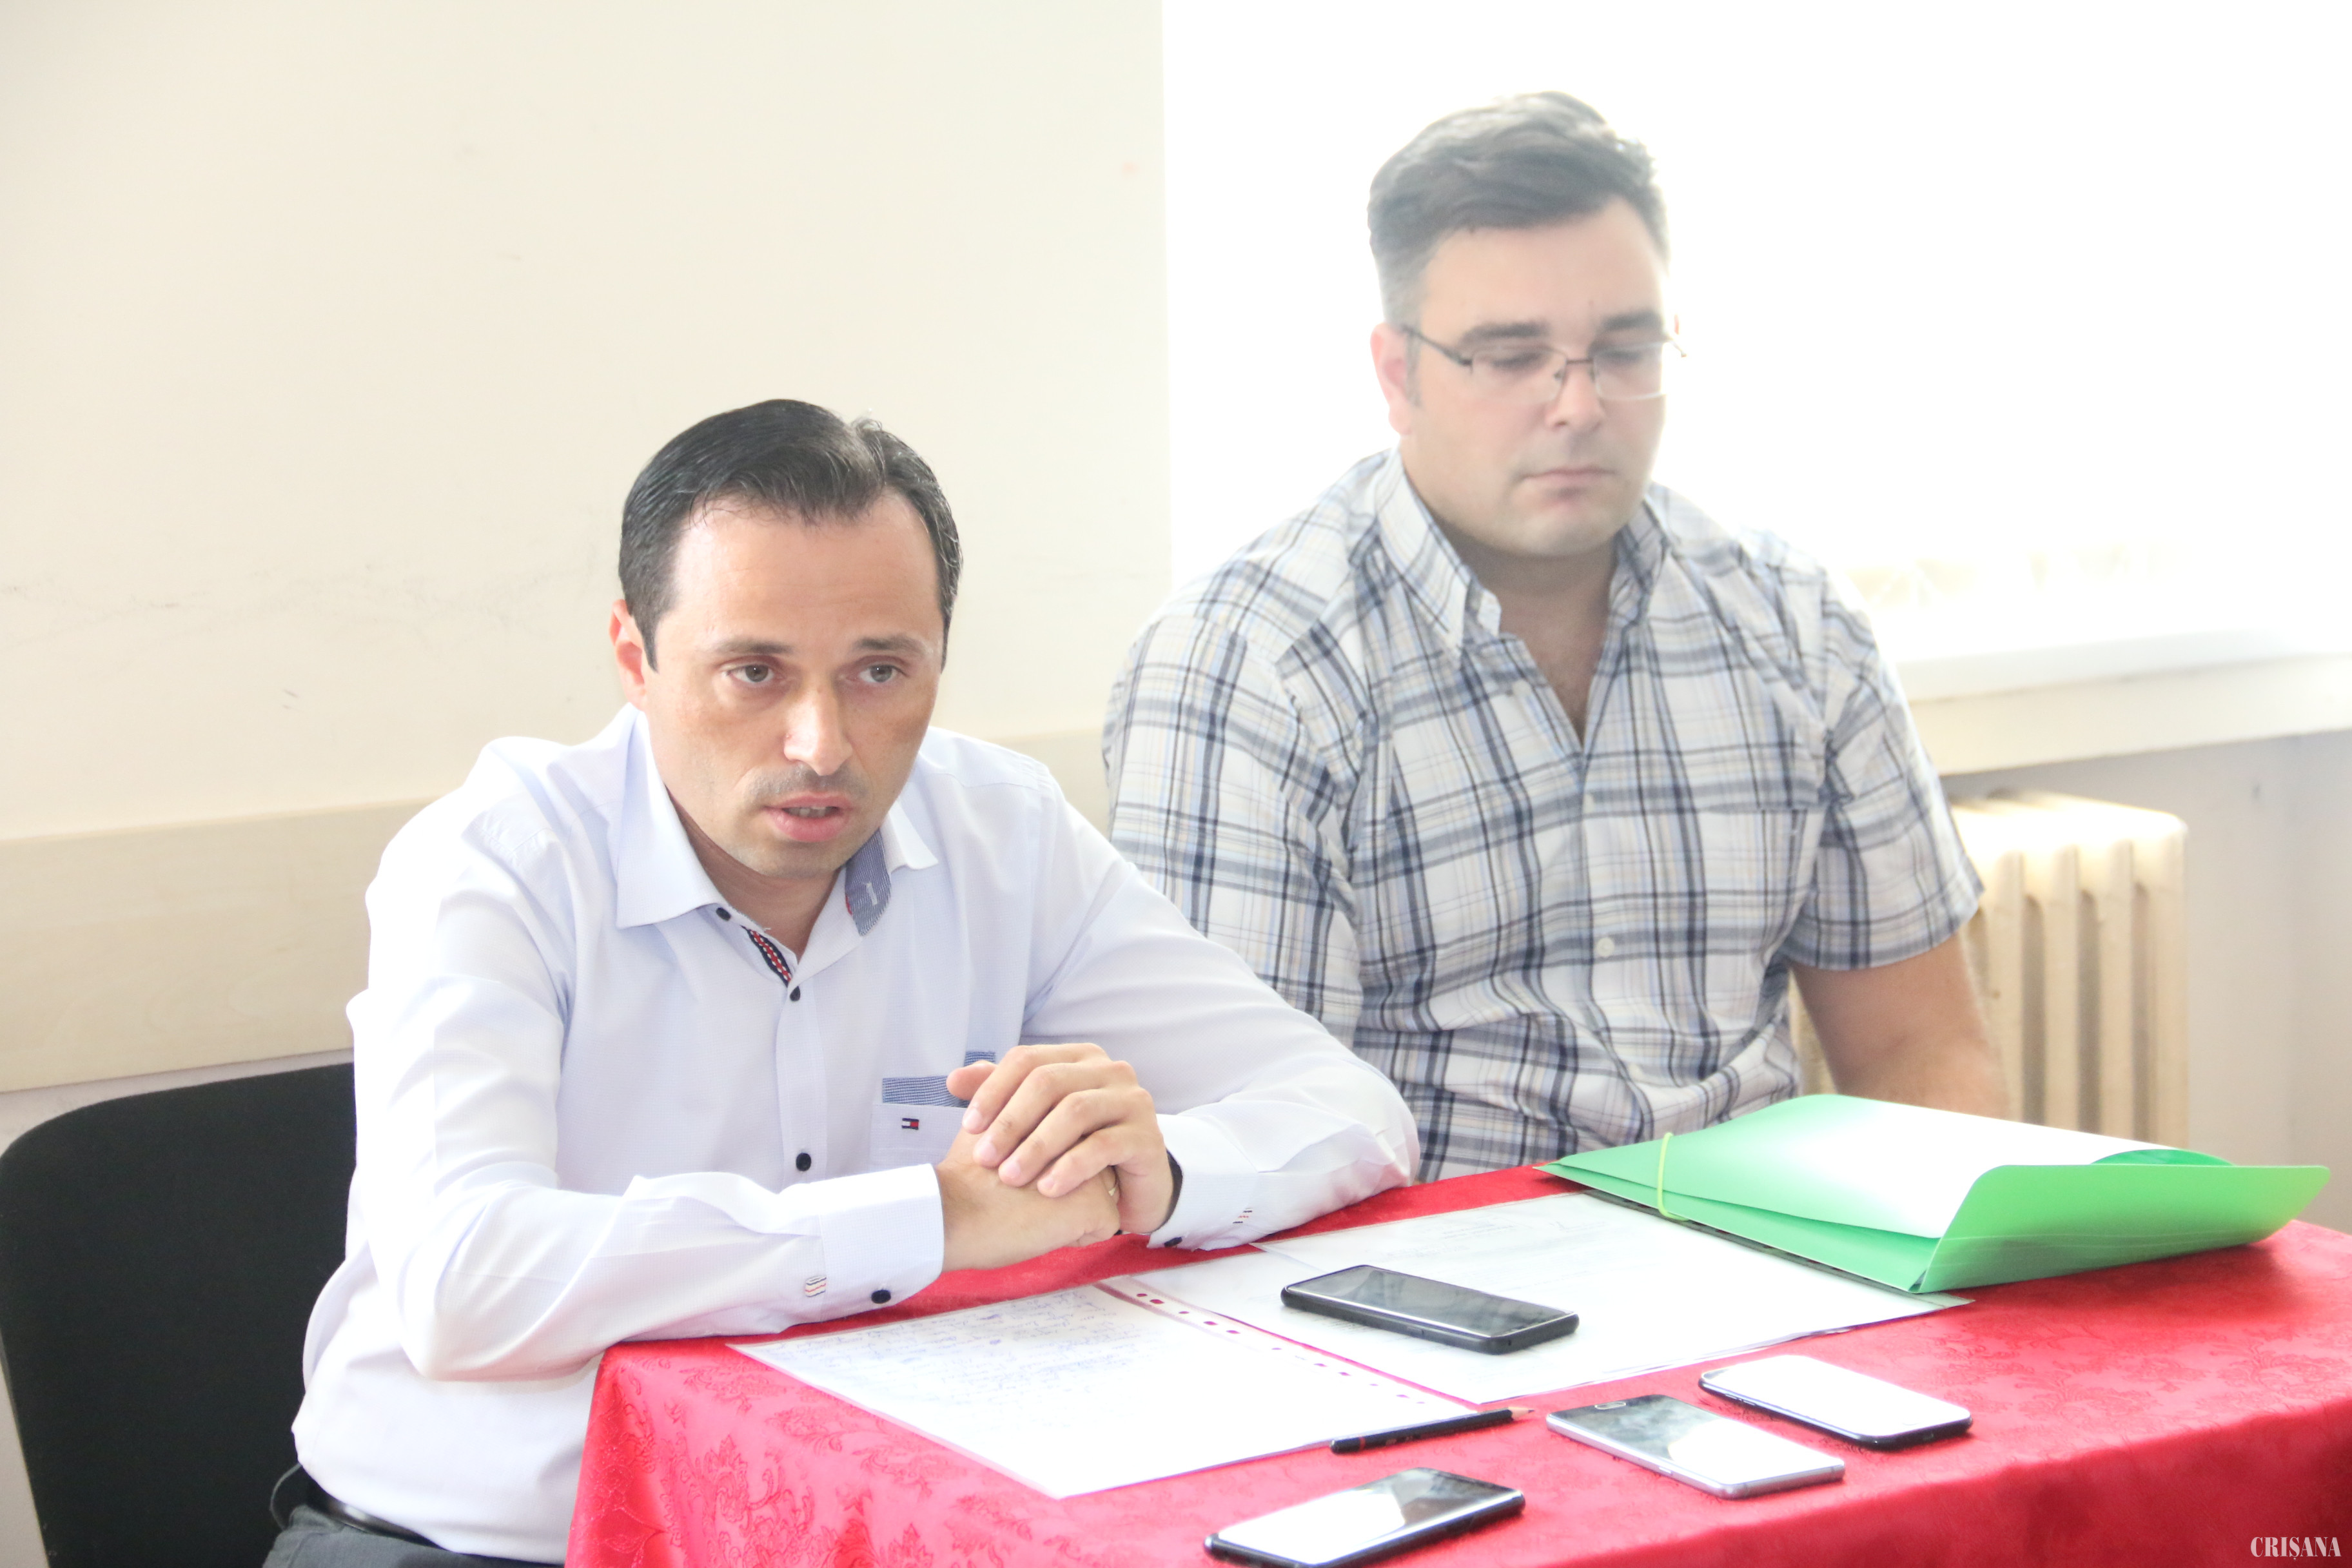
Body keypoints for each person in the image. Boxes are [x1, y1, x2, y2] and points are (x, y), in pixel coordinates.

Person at [271, 400, 1417, 1565]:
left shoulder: (1003, 831)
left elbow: (1356, 1115)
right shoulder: (496, 862)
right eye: (753, 672)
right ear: (635, 657)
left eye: (879, 671)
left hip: (866, 1527)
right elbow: (465, 1281)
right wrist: (935, 1219)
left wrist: (1152, 1170)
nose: (819, 743)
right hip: (478, 1545)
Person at [1103, 92, 2005, 1181]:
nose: (1579, 405)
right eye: (1511, 356)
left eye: (1625, 349)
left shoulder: (1796, 622)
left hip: (1760, 1243)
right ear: (1398, 375)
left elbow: (1921, 1051)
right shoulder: (1248, 667)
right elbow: (1238, 1142)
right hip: (1430, 1263)